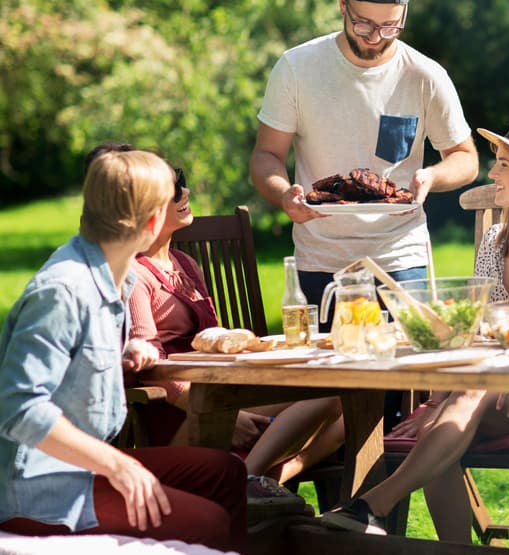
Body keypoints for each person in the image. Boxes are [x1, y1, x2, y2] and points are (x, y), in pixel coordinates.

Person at [321, 111, 509, 540]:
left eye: (504, 164)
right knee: (443, 425)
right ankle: (453, 546)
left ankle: (372, 505)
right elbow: (475, 335)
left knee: (465, 398)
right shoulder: (494, 242)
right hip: (489, 390)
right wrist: (438, 401)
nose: (492, 173)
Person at [0, 150, 246, 552]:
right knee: (208, 523)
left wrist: (122, 355)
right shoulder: (63, 292)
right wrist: (117, 464)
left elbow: (70, 364)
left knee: (225, 472)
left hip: (81, 470)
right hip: (41, 488)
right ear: (152, 222)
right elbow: (18, 407)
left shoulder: (113, 277)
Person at [250, 0, 478, 308]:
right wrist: (284, 196)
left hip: (401, 257)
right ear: (342, 4)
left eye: (390, 27)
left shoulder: (425, 75)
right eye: (364, 25)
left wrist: (430, 178)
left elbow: (465, 158)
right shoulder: (297, 68)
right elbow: (266, 155)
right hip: (320, 257)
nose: (375, 37)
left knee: (405, 361)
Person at [126, 162, 345, 501]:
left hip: (222, 392)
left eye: (181, 182)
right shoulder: (135, 276)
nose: (185, 192)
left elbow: (214, 341)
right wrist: (234, 413)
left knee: (346, 406)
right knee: (326, 399)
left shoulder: (185, 264)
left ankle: (266, 478)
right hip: (181, 410)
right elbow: (150, 364)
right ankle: (248, 481)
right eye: (172, 190)